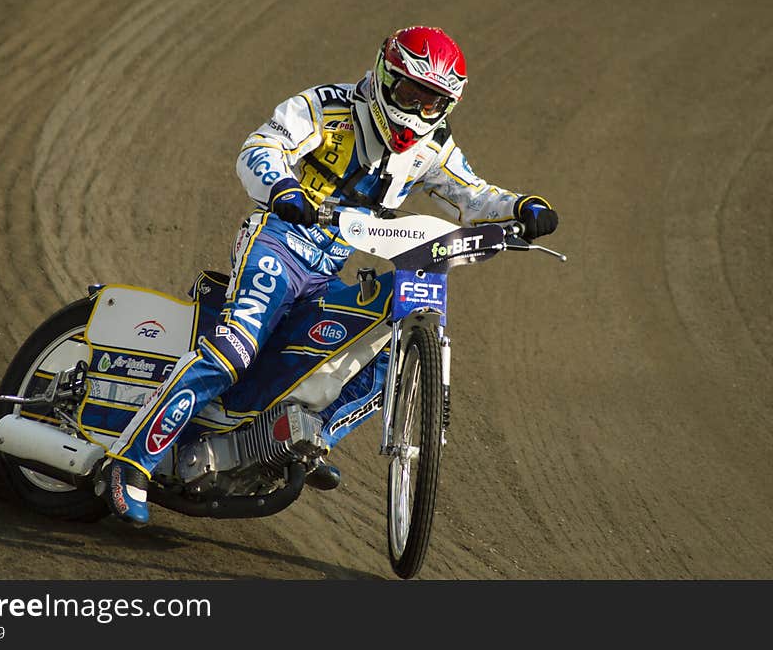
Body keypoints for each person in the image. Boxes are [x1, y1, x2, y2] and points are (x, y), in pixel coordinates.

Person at [98, 26, 559, 525]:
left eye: (432, 101)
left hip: (330, 266)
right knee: (235, 350)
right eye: (410, 92)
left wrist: (520, 206)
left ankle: (300, 440)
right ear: (385, 76)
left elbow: (473, 194)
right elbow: (259, 149)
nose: (418, 109)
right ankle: (128, 463)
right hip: (277, 243)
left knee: (389, 352)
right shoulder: (326, 106)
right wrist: (281, 186)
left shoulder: (432, 148)